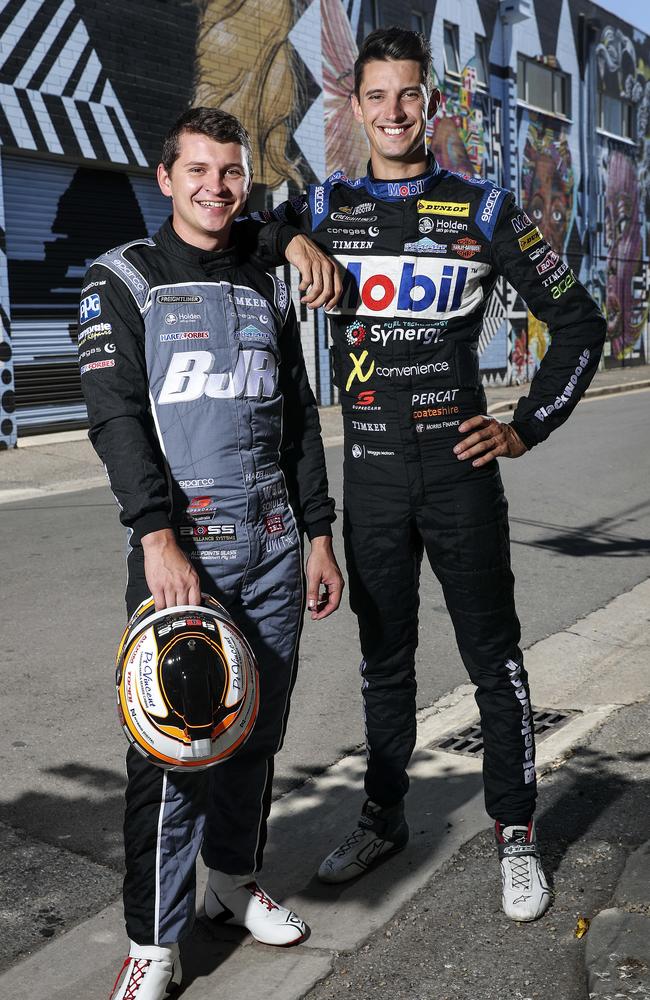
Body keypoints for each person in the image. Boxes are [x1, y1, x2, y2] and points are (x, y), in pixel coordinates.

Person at [258, 26, 606, 922]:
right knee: (384, 665)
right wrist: (289, 244)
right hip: (370, 474)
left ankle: (517, 834)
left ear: (432, 105)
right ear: (356, 108)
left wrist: (526, 427)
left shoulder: (483, 208)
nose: (394, 112)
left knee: (494, 662)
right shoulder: (324, 204)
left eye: (409, 95)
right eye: (376, 97)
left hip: (458, 472)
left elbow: (579, 324)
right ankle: (383, 816)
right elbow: (235, 236)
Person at [79, 106, 344, 999]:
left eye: (230, 172)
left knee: (256, 731)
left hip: (274, 544)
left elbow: (299, 419)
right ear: (166, 177)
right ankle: (154, 941)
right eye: (198, 170)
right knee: (174, 747)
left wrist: (318, 533)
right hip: (183, 554)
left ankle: (231, 881)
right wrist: (155, 536)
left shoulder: (270, 280)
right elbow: (115, 421)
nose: (215, 186)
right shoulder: (123, 280)